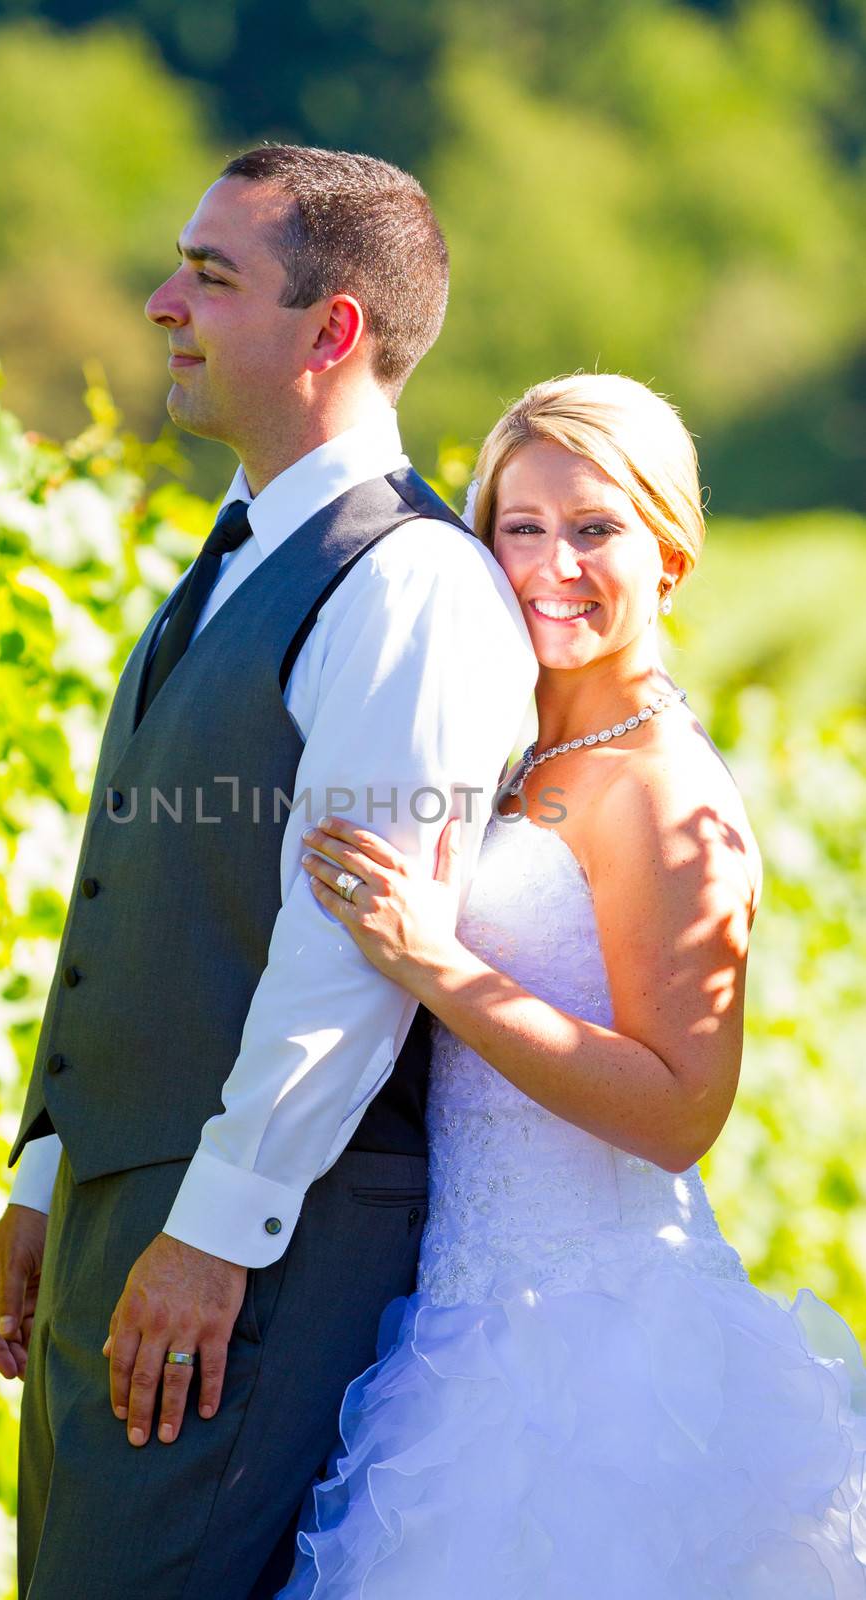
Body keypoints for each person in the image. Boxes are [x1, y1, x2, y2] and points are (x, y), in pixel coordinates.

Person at [0, 145, 537, 1599]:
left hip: (251, 1251)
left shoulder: (407, 588)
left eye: (208, 278)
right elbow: (134, 895)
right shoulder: (230, 557)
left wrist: (213, 1237)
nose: (161, 303)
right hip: (129, 1212)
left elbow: (344, 950)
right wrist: (48, 1179)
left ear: (331, 330)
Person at [275, 372, 866, 1598]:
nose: (551, 562)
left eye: (594, 528)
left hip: (598, 1356)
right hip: (450, 1323)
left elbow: (675, 1111)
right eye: (519, 525)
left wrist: (435, 963)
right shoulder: (510, 749)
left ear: (671, 557)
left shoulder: (664, 791)